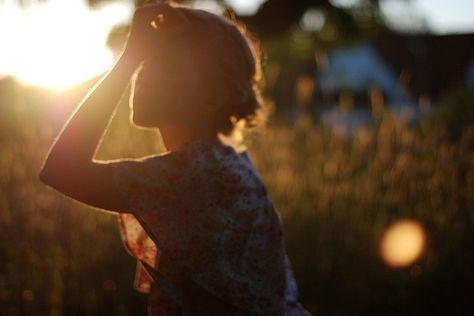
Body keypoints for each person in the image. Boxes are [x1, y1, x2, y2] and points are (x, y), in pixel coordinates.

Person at [39, 1, 313, 315]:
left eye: (166, 66)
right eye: (147, 62)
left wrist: (127, 59)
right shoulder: (225, 164)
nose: (144, 73)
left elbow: (61, 169)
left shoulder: (193, 174)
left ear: (212, 97)